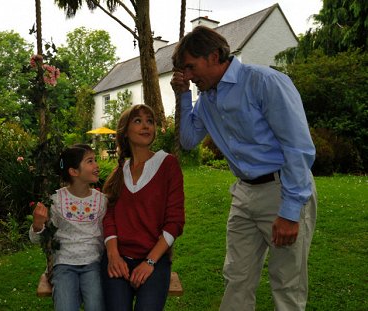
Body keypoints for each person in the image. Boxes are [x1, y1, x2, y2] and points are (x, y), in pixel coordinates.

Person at [170, 26, 317, 311]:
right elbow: (188, 140)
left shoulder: (265, 82)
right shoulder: (207, 100)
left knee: (287, 283)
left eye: (190, 67)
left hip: (282, 190)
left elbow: (298, 148)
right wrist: (184, 95)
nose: (187, 75)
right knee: (236, 277)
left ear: (214, 56)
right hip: (243, 195)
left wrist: (289, 212)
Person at [101, 104, 185, 311]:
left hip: (154, 260)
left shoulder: (168, 164)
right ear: (125, 131)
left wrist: (149, 263)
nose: (146, 126)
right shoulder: (120, 172)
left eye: (150, 121)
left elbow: (175, 222)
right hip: (118, 259)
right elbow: (108, 216)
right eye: (138, 121)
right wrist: (113, 256)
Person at [29, 144, 107, 311]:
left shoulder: (101, 201)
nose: (96, 165)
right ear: (74, 171)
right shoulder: (56, 200)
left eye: (95, 160)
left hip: (93, 263)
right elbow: (38, 239)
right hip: (64, 264)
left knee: (96, 305)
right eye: (90, 161)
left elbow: (108, 233)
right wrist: (37, 225)